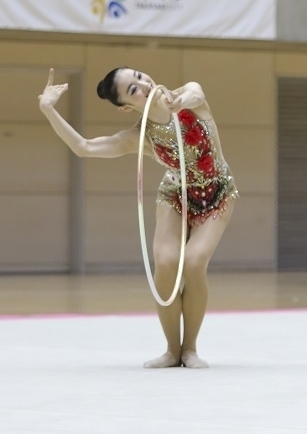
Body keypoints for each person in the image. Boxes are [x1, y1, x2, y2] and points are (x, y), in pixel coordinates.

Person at [37, 67, 237, 369]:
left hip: (217, 191)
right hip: (176, 194)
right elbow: (84, 147)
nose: (144, 84)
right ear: (127, 107)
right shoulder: (138, 137)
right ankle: (172, 351)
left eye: (140, 76)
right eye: (133, 90)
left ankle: (190, 349)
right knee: (167, 264)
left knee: (194, 262)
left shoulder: (187, 94)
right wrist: (48, 109)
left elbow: (197, 94)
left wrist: (177, 102)